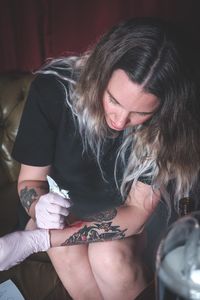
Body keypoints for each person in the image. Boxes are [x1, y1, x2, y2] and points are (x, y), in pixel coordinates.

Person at [0, 17, 200, 300]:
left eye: (140, 113)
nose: (120, 121)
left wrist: (36, 240)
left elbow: (136, 213)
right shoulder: (53, 90)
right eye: (114, 100)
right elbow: (30, 180)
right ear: (100, 74)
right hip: (62, 205)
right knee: (62, 245)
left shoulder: (170, 125)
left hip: (125, 212)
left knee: (110, 257)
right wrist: (37, 208)